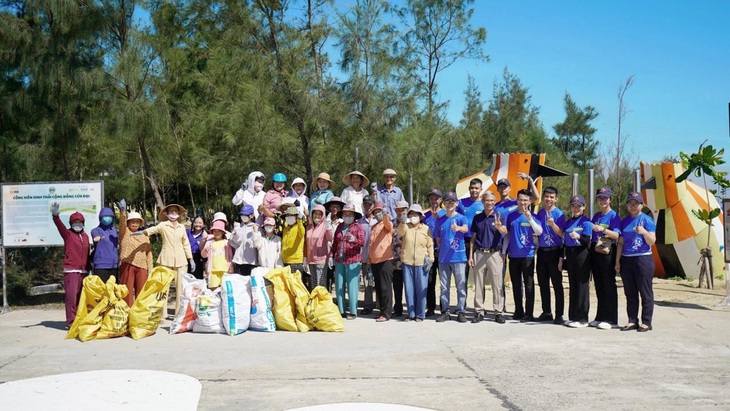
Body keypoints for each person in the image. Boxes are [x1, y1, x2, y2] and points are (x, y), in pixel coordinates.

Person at [134, 204, 194, 316]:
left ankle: (178, 314)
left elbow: (186, 243)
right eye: (171, 211)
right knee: (163, 287)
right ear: (167, 214)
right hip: (165, 259)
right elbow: (153, 229)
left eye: (175, 211)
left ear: (179, 214)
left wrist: (190, 258)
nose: (173, 213)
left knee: (180, 288)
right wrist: (142, 232)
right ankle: (163, 314)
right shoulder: (163, 225)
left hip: (181, 260)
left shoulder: (182, 227)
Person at [496, 189, 543, 322]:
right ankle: (518, 311)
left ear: (529, 201)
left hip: (527, 255)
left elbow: (539, 232)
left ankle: (529, 313)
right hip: (513, 255)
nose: (523, 202)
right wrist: (504, 253)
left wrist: (530, 219)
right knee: (516, 285)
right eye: (520, 199)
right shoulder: (510, 216)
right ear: (516, 200)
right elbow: (507, 235)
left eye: (525, 200)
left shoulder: (534, 216)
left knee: (528, 285)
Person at [616, 192, 656, 332]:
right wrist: (617, 261)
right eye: (630, 203)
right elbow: (620, 242)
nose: (633, 206)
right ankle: (632, 320)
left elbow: (652, 241)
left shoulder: (646, 220)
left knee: (645, 291)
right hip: (627, 259)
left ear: (641, 205)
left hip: (643, 258)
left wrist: (644, 232)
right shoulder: (624, 221)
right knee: (630, 292)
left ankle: (646, 321)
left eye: (636, 203)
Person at [468, 191, 508, 324]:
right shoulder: (477, 218)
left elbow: (505, 231)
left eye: (491, 200)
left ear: (495, 202)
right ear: (483, 201)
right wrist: (471, 256)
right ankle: (479, 311)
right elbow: (473, 238)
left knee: (497, 284)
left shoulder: (499, 217)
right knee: (478, 284)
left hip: (495, 253)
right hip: (479, 253)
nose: (489, 203)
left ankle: (498, 311)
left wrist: (498, 227)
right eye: (487, 200)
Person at [51, 203, 91, 328]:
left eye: (80, 222)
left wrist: (89, 268)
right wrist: (56, 216)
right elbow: (59, 226)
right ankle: (71, 322)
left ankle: (80, 319)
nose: (77, 224)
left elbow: (87, 252)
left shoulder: (85, 236)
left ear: (83, 223)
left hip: (83, 271)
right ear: (71, 223)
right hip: (71, 270)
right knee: (71, 297)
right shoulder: (67, 234)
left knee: (81, 298)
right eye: (75, 222)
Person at [590, 186, 621, 330]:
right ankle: (600, 316)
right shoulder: (596, 216)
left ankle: (611, 319)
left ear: (610, 200)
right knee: (599, 284)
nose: (602, 200)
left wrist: (603, 229)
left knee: (608, 285)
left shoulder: (614, 215)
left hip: (608, 251)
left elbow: (617, 236)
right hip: (597, 250)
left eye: (605, 198)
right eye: (600, 198)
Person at [435, 191, 469, 323]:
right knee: (444, 287)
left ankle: (461, 310)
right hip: (444, 259)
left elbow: (466, 229)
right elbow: (438, 239)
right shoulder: (440, 220)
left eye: (452, 201)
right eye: (447, 201)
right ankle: (445, 311)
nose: (450, 204)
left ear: (456, 203)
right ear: (444, 203)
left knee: (461, 286)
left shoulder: (461, 218)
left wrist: (458, 228)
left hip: (459, 258)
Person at [560, 195, 593, 328]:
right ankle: (573, 316)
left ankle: (582, 318)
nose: (576, 208)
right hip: (570, 254)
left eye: (579, 206)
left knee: (582, 286)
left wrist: (578, 236)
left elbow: (587, 241)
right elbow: (564, 241)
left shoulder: (586, 222)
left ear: (583, 207)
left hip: (582, 254)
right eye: (574, 206)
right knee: (573, 285)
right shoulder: (568, 222)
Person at [535, 186, 566, 325]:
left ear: (556, 199)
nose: (549, 199)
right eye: (547, 196)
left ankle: (559, 314)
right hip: (542, 251)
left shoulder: (560, 214)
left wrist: (552, 223)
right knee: (543, 284)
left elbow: (561, 233)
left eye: (552, 197)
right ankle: (546, 311)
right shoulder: (540, 213)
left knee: (557, 284)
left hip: (555, 251)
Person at [398, 204, 434, 322]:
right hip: (407, 262)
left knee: (421, 288)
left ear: (420, 216)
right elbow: (400, 232)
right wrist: (403, 222)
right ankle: (411, 313)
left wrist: (431, 259)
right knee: (409, 289)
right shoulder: (406, 227)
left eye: (415, 214)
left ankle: (420, 314)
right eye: (411, 214)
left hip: (422, 263)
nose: (413, 216)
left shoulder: (426, 229)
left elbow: (430, 245)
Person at [329, 203, 366, 319]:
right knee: (339, 286)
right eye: (345, 214)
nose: (347, 216)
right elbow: (335, 243)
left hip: (352, 260)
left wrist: (354, 240)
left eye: (350, 214)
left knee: (352, 286)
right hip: (339, 260)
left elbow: (362, 242)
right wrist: (331, 255)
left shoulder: (357, 227)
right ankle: (341, 310)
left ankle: (353, 311)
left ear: (354, 216)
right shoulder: (339, 227)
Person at [118, 200, 153, 307]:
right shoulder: (125, 232)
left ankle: (138, 316)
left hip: (142, 266)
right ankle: (126, 314)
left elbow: (149, 253)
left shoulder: (145, 235)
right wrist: (123, 212)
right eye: (132, 221)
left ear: (140, 223)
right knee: (126, 292)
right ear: (128, 223)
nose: (134, 223)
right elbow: (122, 224)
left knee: (141, 292)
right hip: (127, 264)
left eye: (137, 221)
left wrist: (150, 268)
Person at [368, 201, 395, 322]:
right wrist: (369, 260)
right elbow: (371, 244)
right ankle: (382, 311)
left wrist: (385, 215)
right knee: (378, 288)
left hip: (385, 260)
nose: (377, 214)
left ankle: (387, 313)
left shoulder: (386, 225)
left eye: (379, 211)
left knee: (385, 288)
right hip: (374, 261)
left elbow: (388, 224)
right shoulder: (374, 227)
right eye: (376, 212)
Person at [457, 179, 484, 294]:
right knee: (463, 274)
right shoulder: (461, 203)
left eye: (476, 188)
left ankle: (480, 307)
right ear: (469, 189)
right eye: (472, 188)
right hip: (463, 241)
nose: (474, 190)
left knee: (480, 275)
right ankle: (462, 304)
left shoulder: (484, 204)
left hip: (479, 242)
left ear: (481, 189)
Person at [423, 189, 444, 317]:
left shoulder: (445, 214)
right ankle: (430, 307)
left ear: (440, 200)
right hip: (429, 253)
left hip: (442, 252)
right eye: (431, 198)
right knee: (430, 282)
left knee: (443, 282)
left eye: (436, 198)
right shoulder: (425, 216)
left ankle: (443, 307)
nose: (434, 201)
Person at [279, 199, 307, 283]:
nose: (289, 217)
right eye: (287, 215)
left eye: (291, 215)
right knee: (288, 285)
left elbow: (302, 233)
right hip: (285, 261)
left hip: (296, 261)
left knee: (296, 285)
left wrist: (299, 220)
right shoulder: (286, 229)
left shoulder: (299, 227)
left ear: (296, 217)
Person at [200, 220, 234, 289]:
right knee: (213, 287)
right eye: (215, 231)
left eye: (219, 231)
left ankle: (222, 299)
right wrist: (206, 250)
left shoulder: (226, 243)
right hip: (213, 270)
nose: (217, 233)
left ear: (222, 232)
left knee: (224, 287)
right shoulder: (210, 242)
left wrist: (231, 267)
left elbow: (230, 256)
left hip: (224, 269)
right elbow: (203, 255)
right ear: (212, 232)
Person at [306, 205, 333, 290]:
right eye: (315, 213)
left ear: (323, 215)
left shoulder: (325, 226)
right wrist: (305, 258)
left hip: (321, 260)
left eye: (319, 214)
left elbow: (330, 238)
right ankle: (315, 301)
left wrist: (328, 227)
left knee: (320, 285)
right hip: (311, 260)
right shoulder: (309, 227)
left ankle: (321, 302)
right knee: (313, 284)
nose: (317, 216)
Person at [90, 207, 119, 283]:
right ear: (100, 218)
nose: (107, 219)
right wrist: (97, 238)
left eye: (109, 217)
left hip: (114, 265)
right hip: (101, 265)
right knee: (101, 290)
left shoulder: (115, 231)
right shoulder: (96, 230)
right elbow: (95, 237)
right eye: (105, 217)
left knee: (113, 290)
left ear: (112, 218)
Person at [229, 205, 259, 276]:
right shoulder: (238, 227)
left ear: (252, 216)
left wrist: (255, 232)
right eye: (242, 215)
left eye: (246, 215)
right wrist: (235, 233)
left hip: (252, 261)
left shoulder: (256, 227)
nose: (243, 216)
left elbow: (258, 244)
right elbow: (233, 243)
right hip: (239, 261)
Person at [391, 200, 409, 317]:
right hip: (395, 260)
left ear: (407, 210)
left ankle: (411, 309)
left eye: (402, 210)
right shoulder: (392, 223)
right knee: (397, 287)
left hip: (409, 260)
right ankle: (398, 309)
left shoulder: (412, 223)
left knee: (409, 287)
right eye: (398, 210)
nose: (400, 212)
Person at [324, 197, 345, 295]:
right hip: (326, 253)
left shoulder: (343, 222)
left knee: (340, 279)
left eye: (337, 206)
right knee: (327, 278)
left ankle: (340, 300)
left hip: (340, 254)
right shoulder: (325, 221)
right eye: (333, 206)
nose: (335, 208)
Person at [359, 195, 375, 315]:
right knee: (367, 282)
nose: (368, 207)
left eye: (370, 204)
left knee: (379, 282)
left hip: (378, 257)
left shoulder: (378, 220)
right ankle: (368, 305)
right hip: (365, 256)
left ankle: (381, 305)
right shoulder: (360, 222)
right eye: (366, 205)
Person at [187, 215, 207, 280]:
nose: (197, 224)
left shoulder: (205, 235)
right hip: (188, 258)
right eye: (196, 222)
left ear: (203, 225)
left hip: (199, 260)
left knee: (197, 280)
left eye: (200, 223)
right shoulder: (188, 233)